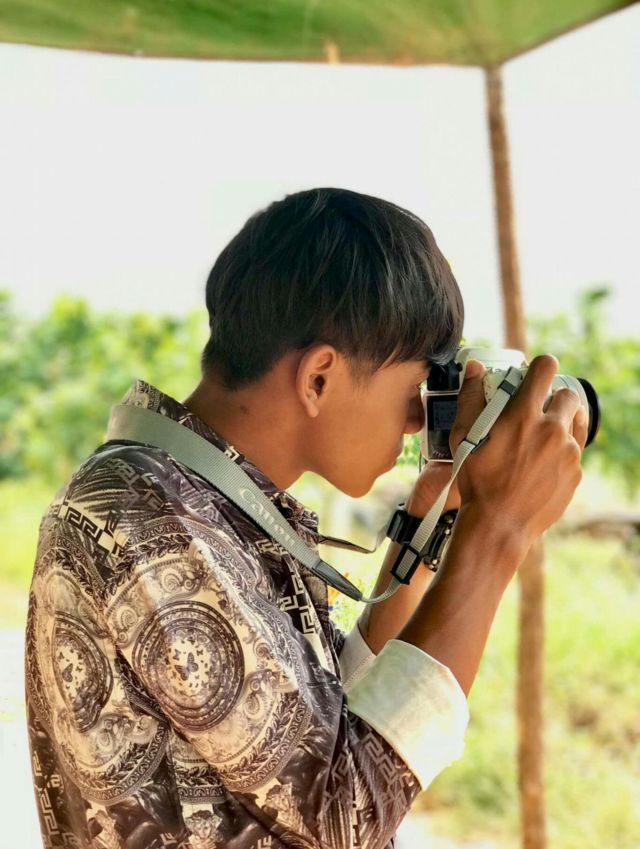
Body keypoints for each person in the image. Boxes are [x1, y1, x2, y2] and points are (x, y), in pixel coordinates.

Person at [25, 187, 587, 849]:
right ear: (319, 377)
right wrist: (498, 534)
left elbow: (324, 725)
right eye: (415, 385)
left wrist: (435, 514)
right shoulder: (144, 518)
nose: (418, 418)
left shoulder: (197, 500)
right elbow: (345, 813)